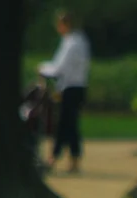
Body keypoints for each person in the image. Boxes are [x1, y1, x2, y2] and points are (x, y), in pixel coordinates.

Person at [38, 10, 91, 174]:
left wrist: (42, 68)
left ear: (65, 25)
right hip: (79, 86)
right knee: (71, 124)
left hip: (70, 88)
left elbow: (59, 68)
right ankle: (74, 159)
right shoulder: (81, 41)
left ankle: (53, 158)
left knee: (62, 123)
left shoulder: (71, 43)